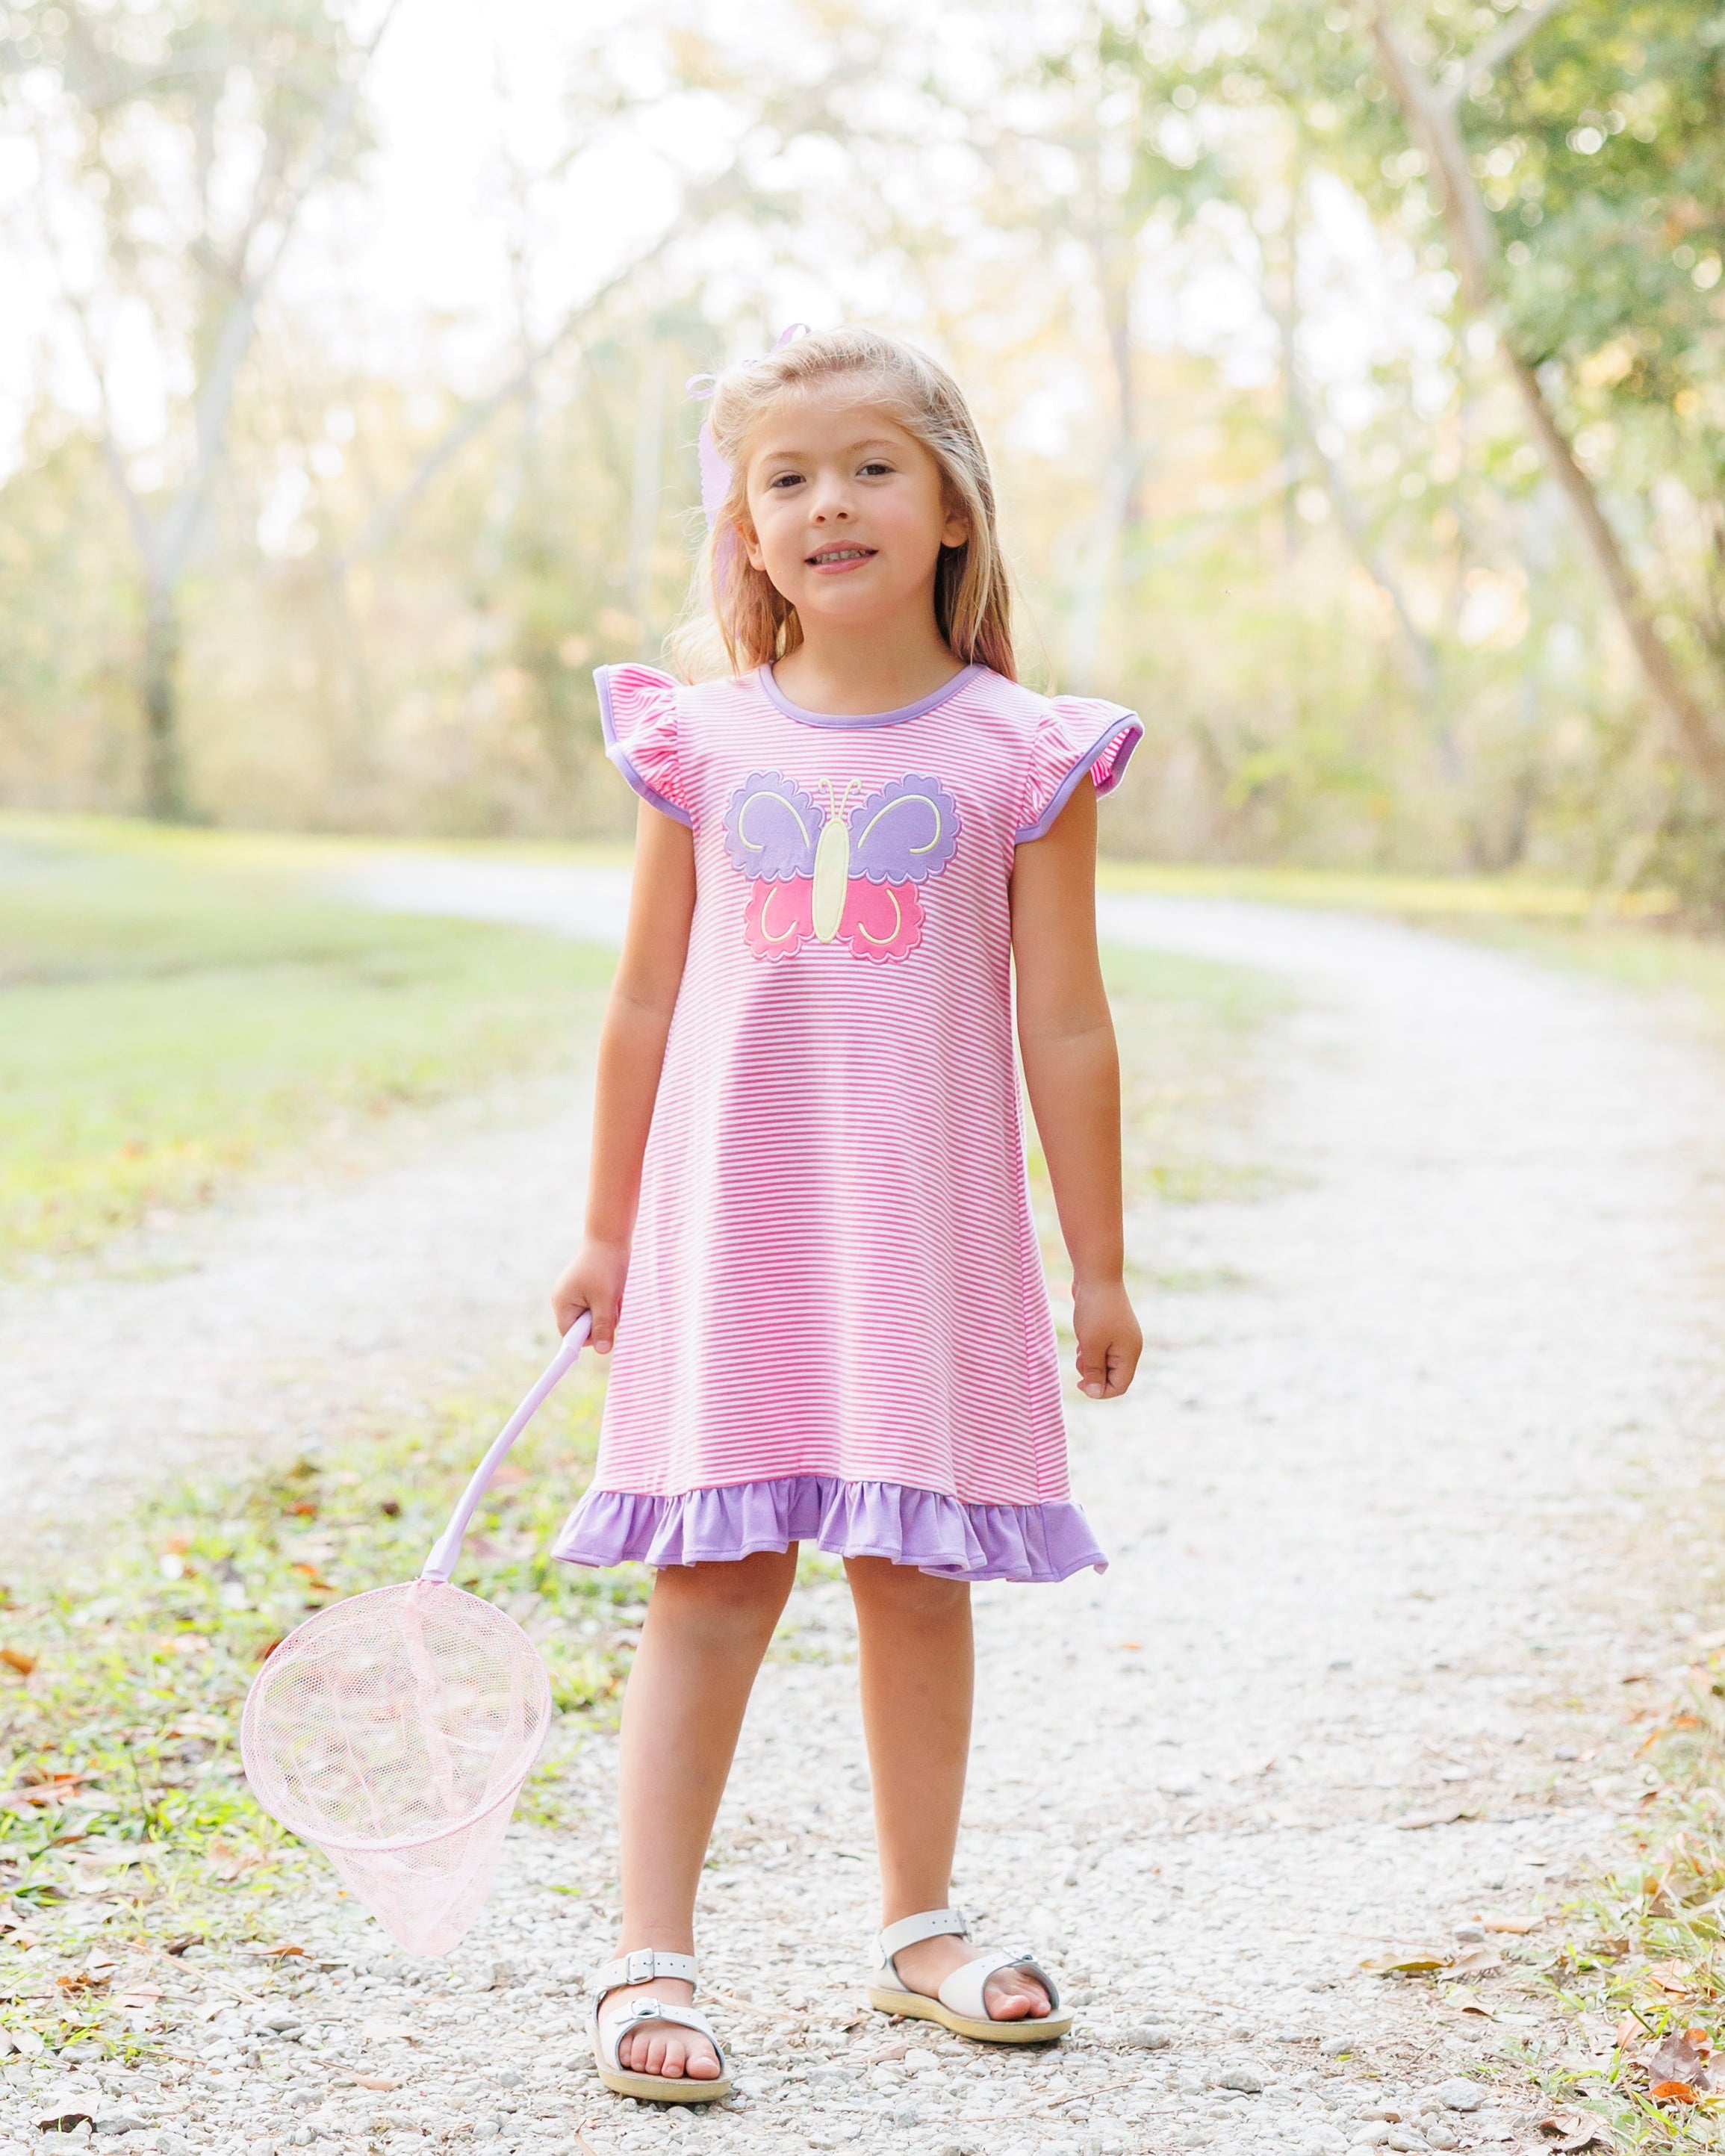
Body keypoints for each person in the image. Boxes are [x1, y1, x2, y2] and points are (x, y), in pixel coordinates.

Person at [548, 325, 1143, 2104]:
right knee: (711, 1578)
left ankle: (917, 1927)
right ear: (743, 526)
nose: (829, 503)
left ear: (954, 505)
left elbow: (1067, 1020)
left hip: (921, 1239)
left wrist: (1099, 1263)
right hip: (728, 1238)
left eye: (872, 466)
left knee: (913, 1570)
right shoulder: (702, 740)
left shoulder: (1021, 753)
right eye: (786, 477)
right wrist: (604, 1228)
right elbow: (644, 997)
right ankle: (651, 1950)